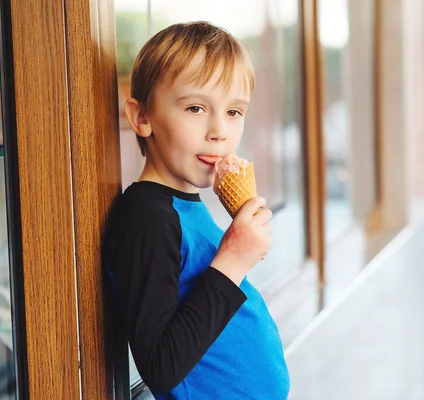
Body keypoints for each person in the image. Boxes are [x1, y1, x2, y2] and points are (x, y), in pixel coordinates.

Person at [102, 22, 290, 399]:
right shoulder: (146, 218)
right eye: (195, 107)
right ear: (142, 118)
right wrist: (233, 261)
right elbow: (160, 367)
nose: (219, 130)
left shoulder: (183, 205)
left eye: (234, 112)